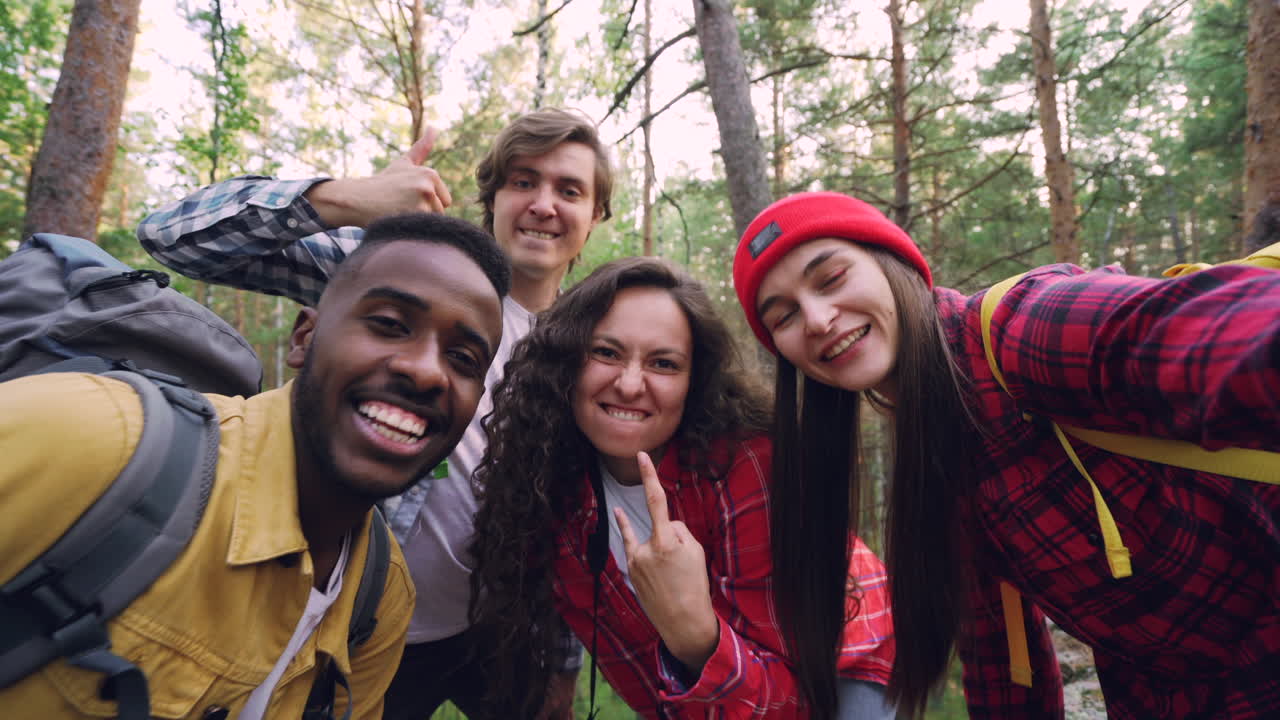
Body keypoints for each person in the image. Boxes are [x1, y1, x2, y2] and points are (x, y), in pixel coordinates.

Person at [136, 108, 613, 718]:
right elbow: (174, 237)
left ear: (594, 214)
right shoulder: (400, 270)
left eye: (569, 190)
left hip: (500, 632)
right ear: (492, 197)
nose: (544, 204)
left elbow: (571, 514)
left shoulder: (593, 349)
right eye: (523, 181)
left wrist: (560, 665)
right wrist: (347, 198)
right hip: (355, 626)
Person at [730, 191, 1280, 719]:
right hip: (1165, 695)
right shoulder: (933, 454)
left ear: (894, 264)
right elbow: (1000, 658)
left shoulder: (1021, 327)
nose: (818, 319)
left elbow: (1207, 330)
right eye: (783, 316)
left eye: (831, 278)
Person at [0, 212, 509, 719]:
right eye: (389, 325)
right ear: (304, 338)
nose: (425, 371)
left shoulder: (381, 597)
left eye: (463, 359)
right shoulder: (90, 436)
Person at [468, 257, 896, 720]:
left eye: (664, 363)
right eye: (606, 353)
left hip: (841, 660)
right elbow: (642, 676)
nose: (630, 385)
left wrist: (695, 634)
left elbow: (789, 703)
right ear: (566, 364)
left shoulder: (750, 466)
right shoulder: (549, 486)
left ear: (695, 384)